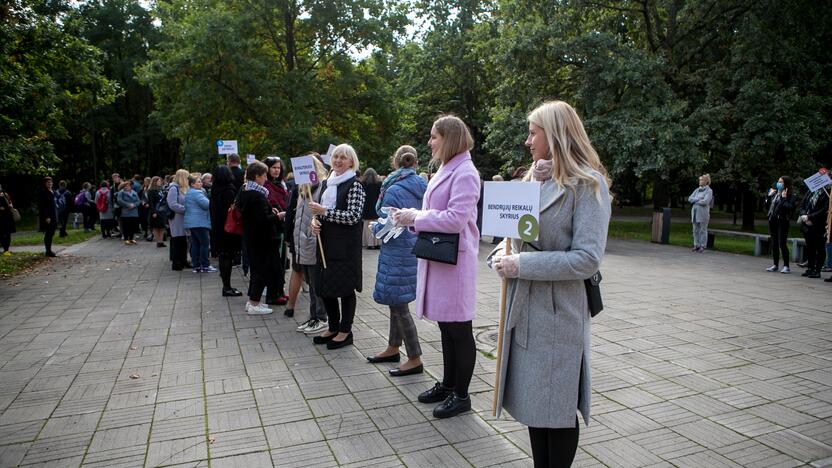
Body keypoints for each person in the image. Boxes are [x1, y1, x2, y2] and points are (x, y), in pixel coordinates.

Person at [487, 101, 612, 467]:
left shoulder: (589, 184)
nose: (527, 141)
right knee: (534, 406)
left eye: (533, 132)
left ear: (554, 134)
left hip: (559, 315)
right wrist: (501, 252)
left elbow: (587, 258)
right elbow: (516, 235)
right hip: (526, 307)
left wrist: (521, 264)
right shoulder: (534, 180)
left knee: (556, 409)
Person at [392, 115, 480, 419]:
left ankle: (462, 394)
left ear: (449, 138)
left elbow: (455, 219)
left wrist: (416, 217)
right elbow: (437, 213)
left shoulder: (466, 172)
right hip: (442, 258)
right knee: (446, 326)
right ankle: (448, 384)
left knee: (459, 329)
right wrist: (415, 217)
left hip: (455, 262)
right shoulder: (448, 167)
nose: (430, 142)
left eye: (434, 137)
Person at [367, 145, 427, 377]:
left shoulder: (392, 188)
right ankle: (393, 348)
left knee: (399, 305)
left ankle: (415, 357)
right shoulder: (424, 185)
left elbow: (387, 220)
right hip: (414, 248)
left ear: (395, 162)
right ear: (415, 163)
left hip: (396, 250)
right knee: (397, 300)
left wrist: (376, 228)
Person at [309, 144, 366, 350]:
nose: (338, 160)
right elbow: (318, 214)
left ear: (352, 161)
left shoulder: (354, 185)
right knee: (325, 287)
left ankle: (345, 330)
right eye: (335, 157)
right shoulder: (326, 184)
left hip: (344, 247)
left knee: (344, 288)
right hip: (325, 244)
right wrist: (315, 223)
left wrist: (324, 212)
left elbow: (353, 216)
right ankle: (333, 326)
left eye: (343, 157)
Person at [287, 154, 329, 334]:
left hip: (312, 241)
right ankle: (314, 316)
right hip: (303, 242)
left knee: (316, 283)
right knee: (311, 282)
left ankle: (321, 317)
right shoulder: (303, 189)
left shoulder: (322, 187)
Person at [237, 161, 280, 315]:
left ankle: (253, 301)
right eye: (264, 175)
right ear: (257, 176)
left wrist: (270, 210)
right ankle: (254, 302)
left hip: (252, 237)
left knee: (256, 270)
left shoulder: (245, 189)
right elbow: (262, 220)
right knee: (261, 270)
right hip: (261, 238)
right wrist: (277, 216)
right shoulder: (256, 195)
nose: (266, 179)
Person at [210, 165, 242, 296]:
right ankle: (227, 287)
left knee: (223, 256)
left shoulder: (214, 189)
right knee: (228, 256)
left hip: (218, 227)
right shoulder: (228, 191)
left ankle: (226, 285)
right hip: (228, 229)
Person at [263, 156, 289, 307]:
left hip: (282, 226)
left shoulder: (281, 184)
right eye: (273, 167)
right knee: (275, 263)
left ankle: (279, 291)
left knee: (281, 262)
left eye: (278, 168)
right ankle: (274, 293)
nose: (276, 170)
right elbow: (273, 203)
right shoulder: (266, 185)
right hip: (273, 227)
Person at [183, 174, 215, 272]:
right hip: (199, 222)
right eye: (199, 182)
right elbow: (207, 205)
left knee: (196, 244)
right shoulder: (197, 193)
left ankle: (196, 265)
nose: (201, 183)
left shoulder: (189, 192)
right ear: (192, 184)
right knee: (205, 244)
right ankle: (205, 265)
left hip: (192, 222)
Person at [765, 176, 795, 273]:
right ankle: (775, 265)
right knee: (774, 244)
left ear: (786, 184)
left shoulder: (790, 195)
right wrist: (768, 196)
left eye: (781, 182)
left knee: (782, 243)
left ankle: (786, 266)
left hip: (782, 222)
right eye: (778, 181)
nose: (779, 184)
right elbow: (767, 207)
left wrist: (784, 198)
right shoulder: (775, 194)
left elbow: (789, 208)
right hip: (773, 220)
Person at [798, 185, 829, 279]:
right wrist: (804, 215)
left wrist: (810, 217)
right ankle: (810, 268)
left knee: (820, 248)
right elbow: (803, 204)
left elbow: (825, 209)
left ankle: (817, 270)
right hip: (807, 224)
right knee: (810, 247)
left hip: (819, 224)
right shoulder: (811, 191)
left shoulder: (828, 193)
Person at [168, 169, 189, 270]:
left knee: (183, 240)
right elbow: (172, 204)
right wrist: (186, 209)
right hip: (177, 218)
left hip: (182, 217)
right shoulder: (173, 188)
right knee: (177, 240)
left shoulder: (180, 188)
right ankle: (176, 263)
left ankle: (183, 260)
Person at [688, 174, 714, 253]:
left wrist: (695, 200)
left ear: (706, 181)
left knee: (703, 229)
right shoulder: (697, 190)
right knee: (695, 229)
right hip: (695, 213)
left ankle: (702, 245)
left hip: (703, 213)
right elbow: (690, 199)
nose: (700, 181)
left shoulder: (709, 191)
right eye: (700, 180)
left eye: (702, 180)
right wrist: (699, 198)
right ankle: (696, 245)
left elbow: (705, 202)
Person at [361, 168, 382, 249]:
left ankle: (370, 244)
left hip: (366, 209)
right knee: (376, 226)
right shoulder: (379, 184)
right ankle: (377, 243)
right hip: (376, 208)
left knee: (367, 228)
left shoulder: (362, 184)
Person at [38, 177, 58, 257]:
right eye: (48, 182)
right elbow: (43, 206)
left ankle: (49, 250)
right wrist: (47, 216)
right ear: (44, 183)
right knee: (48, 233)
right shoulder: (43, 192)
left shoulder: (53, 191)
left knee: (51, 232)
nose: (50, 184)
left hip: (54, 214)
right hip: (48, 216)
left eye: (51, 182)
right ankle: (48, 251)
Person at [116, 181, 140, 245]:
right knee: (126, 226)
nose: (127, 187)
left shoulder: (134, 192)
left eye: (128, 185)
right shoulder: (121, 192)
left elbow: (138, 201)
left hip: (134, 212)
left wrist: (134, 205)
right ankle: (126, 239)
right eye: (125, 186)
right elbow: (119, 201)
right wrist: (128, 205)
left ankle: (131, 239)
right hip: (125, 212)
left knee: (132, 226)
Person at [146, 177, 167, 248]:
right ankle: (158, 241)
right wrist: (153, 212)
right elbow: (151, 202)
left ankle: (161, 241)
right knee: (156, 227)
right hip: (155, 210)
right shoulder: (151, 191)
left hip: (162, 211)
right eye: (159, 181)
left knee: (162, 227)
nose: (160, 182)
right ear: (154, 182)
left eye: (160, 181)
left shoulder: (161, 190)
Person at [0, 184, 16, 255]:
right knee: (1, 233)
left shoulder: (5, 194)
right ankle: (4, 249)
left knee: (8, 233)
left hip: (7, 216)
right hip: (0, 217)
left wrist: (11, 205)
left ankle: (6, 249)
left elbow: (10, 202)